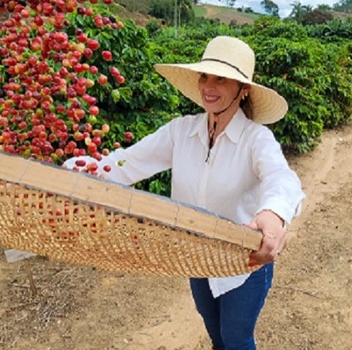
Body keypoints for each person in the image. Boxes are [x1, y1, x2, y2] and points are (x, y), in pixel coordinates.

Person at [64, 36, 305, 350]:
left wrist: (272, 214)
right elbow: (128, 162)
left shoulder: (255, 139)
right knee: (213, 328)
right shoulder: (182, 131)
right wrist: (83, 171)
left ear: (242, 89)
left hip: (243, 264)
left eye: (221, 79)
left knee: (236, 339)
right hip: (196, 256)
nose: (209, 85)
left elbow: (281, 178)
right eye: (205, 76)